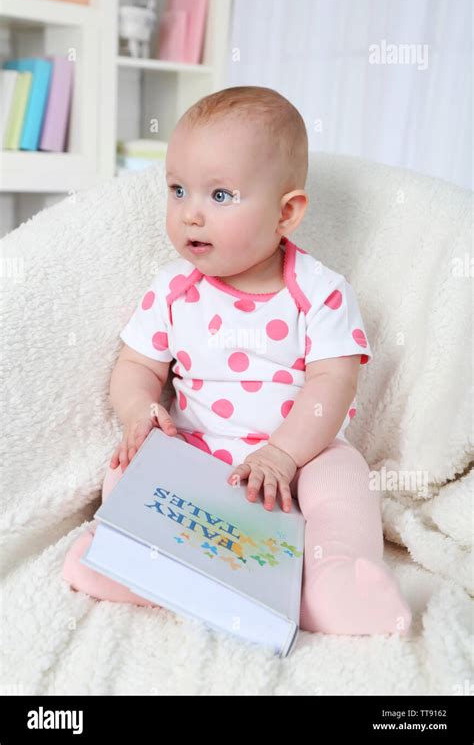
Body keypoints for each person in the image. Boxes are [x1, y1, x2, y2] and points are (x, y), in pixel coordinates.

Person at [62, 86, 412, 636]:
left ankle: (332, 579)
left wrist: (282, 455)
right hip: (198, 452)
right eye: (178, 190)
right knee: (131, 462)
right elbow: (136, 367)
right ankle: (139, 562)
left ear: (286, 212)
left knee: (344, 479)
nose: (191, 214)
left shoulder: (319, 292)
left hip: (298, 457)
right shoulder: (174, 288)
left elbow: (333, 382)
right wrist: (138, 415)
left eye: (220, 195)